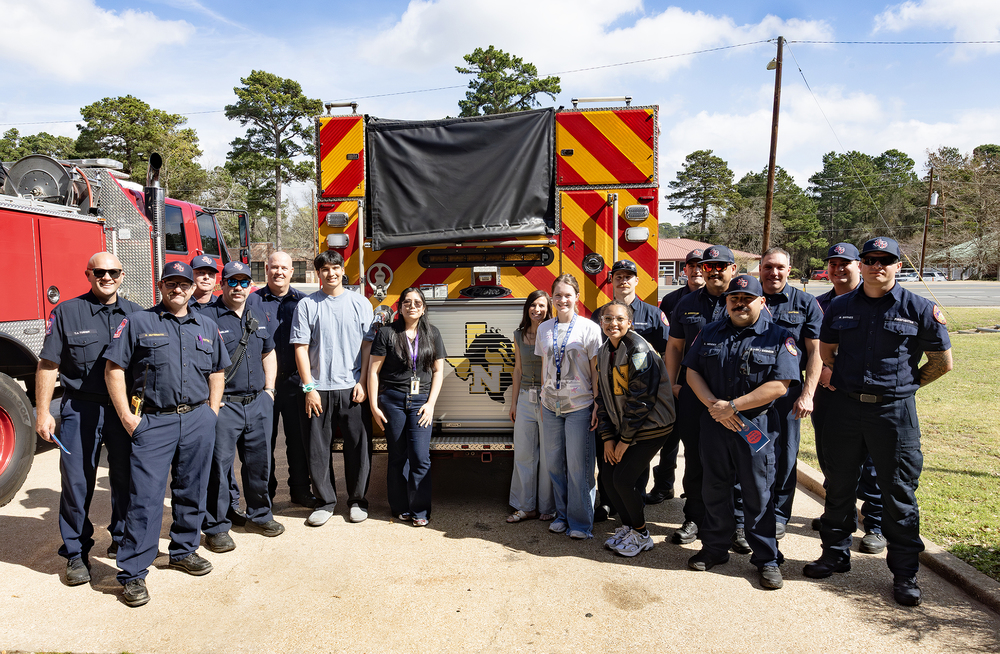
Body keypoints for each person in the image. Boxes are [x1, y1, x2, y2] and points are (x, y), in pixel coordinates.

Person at [804, 237, 952, 607]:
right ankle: (834, 555)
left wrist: (906, 386)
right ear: (863, 264)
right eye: (870, 259)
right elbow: (826, 350)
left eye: (885, 260)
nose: (876, 266)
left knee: (898, 493)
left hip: (893, 414)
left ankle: (904, 574)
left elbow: (941, 362)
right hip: (845, 409)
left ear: (898, 266)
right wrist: (841, 374)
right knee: (838, 486)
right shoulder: (839, 306)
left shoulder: (919, 308)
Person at [105, 261, 230, 608]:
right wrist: (129, 419)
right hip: (154, 424)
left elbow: (218, 371)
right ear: (160, 287)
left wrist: (212, 412)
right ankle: (133, 573)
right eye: (170, 283)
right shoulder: (139, 322)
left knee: (192, 489)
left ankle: (183, 550)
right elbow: (113, 370)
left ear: (193, 288)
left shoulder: (206, 325)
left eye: (184, 284)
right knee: (144, 499)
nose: (178, 289)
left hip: (197, 420)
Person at [683, 274, 800, 590]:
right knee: (714, 489)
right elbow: (692, 370)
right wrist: (714, 406)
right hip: (715, 423)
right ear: (727, 302)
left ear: (761, 302)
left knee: (758, 493)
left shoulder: (779, 337)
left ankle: (767, 559)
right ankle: (715, 549)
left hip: (754, 428)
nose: (739, 303)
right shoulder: (709, 332)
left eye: (747, 299)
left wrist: (732, 406)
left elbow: (780, 385)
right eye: (734, 298)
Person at [34, 252, 143, 586]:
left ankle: (122, 539)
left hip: (124, 410)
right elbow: (48, 365)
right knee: (77, 482)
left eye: (113, 271)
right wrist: (42, 412)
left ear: (122, 275)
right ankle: (75, 553)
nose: (106, 277)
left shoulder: (138, 315)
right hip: (80, 409)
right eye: (99, 271)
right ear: (88, 274)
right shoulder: (67, 312)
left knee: (126, 478)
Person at [201, 262, 282, 554]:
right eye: (232, 282)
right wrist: (211, 402)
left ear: (250, 285)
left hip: (258, 403)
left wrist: (270, 390)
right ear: (222, 285)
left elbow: (269, 351)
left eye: (243, 282)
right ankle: (217, 527)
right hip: (226, 407)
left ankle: (260, 515)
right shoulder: (206, 316)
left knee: (260, 464)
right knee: (218, 469)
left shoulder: (257, 311)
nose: (238, 288)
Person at [291, 250, 375, 527]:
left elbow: (368, 347)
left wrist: (362, 381)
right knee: (317, 449)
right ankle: (325, 502)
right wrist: (309, 388)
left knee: (358, 447)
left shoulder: (361, 303)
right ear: (319, 273)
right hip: (319, 390)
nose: (331, 273)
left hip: (352, 387)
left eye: (335, 267)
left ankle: (357, 501)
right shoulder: (307, 306)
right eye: (325, 269)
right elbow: (301, 349)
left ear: (342, 270)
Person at [810, 243, 884, 553]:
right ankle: (838, 513)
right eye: (833, 264)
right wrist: (824, 373)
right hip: (826, 394)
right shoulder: (818, 303)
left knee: (870, 459)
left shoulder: (876, 300)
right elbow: (813, 347)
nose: (838, 269)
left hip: (862, 395)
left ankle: (875, 523)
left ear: (859, 266)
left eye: (846, 263)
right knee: (830, 454)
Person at [662, 244, 737, 545]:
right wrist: (670, 385)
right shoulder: (686, 303)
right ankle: (694, 517)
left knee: (736, 461)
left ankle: (737, 524)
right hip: (694, 395)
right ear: (701, 270)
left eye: (721, 266)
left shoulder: (745, 300)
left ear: (733, 269)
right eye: (709, 266)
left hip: (734, 398)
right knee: (695, 459)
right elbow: (675, 347)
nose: (714, 271)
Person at [595, 300, 676, 558]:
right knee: (608, 478)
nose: (613, 324)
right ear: (601, 322)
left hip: (651, 427)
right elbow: (604, 398)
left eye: (619, 319)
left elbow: (641, 401)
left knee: (623, 479)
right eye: (607, 319)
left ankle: (641, 533)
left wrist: (624, 441)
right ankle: (628, 526)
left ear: (629, 323)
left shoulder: (639, 349)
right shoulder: (604, 350)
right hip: (624, 426)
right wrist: (608, 438)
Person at [590, 259, 669, 521]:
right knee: (610, 466)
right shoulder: (599, 320)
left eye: (628, 276)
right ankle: (612, 505)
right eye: (618, 276)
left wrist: (669, 388)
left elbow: (665, 354)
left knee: (632, 471)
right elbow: (599, 370)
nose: (613, 323)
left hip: (642, 413)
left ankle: (635, 515)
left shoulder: (652, 317)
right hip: (615, 407)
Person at [756, 247, 823, 540]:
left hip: (788, 396)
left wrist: (807, 394)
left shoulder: (805, 303)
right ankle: (750, 509)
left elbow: (815, 352)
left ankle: (780, 513)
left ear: (789, 269)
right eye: (769, 266)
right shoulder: (745, 297)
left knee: (785, 455)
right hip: (751, 394)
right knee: (750, 451)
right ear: (760, 267)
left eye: (780, 267)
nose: (774, 273)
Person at [369, 288, 446, 527]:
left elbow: (438, 371)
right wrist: (374, 405)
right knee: (397, 457)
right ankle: (400, 507)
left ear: (423, 308)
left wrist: (431, 404)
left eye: (417, 303)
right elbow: (373, 372)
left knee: (421, 457)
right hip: (392, 401)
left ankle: (420, 510)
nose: (412, 306)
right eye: (407, 302)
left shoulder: (432, 333)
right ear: (400, 307)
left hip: (421, 402)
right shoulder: (386, 333)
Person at [536, 274, 602, 540]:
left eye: (567, 295)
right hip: (551, 405)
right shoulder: (544, 329)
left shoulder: (589, 328)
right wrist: (543, 397)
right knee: (554, 464)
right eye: (558, 295)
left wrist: (597, 403)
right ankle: (562, 516)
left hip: (580, 405)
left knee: (579, 467)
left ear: (577, 297)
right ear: (552, 298)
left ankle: (581, 523)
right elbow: (545, 366)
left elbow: (596, 371)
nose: (562, 300)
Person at [250, 251, 314, 508]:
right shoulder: (252, 300)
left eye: (284, 268)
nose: (279, 272)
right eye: (274, 267)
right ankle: (266, 495)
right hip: (263, 384)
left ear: (291, 271)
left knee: (297, 441)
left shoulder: (304, 302)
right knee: (263, 442)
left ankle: (300, 490)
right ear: (267, 269)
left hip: (294, 382)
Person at [648, 248, 704, 504]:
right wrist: (670, 382)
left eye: (702, 265)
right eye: (691, 265)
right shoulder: (671, 301)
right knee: (669, 435)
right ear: (685, 270)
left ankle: (696, 491)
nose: (697, 269)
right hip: (675, 378)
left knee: (698, 441)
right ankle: (663, 486)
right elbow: (669, 344)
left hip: (705, 382)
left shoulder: (724, 298)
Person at [506, 290, 556, 523]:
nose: (538, 310)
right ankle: (526, 506)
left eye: (543, 306)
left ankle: (548, 506)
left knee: (548, 455)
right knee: (524, 453)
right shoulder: (518, 334)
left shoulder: (553, 332)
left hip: (549, 400)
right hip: (526, 397)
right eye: (534, 305)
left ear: (548, 309)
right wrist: (514, 402)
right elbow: (517, 370)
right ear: (527, 308)